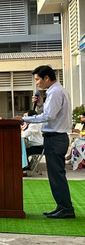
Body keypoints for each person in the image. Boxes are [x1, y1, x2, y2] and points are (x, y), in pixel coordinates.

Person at [21, 65, 75, 218]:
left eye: (38, 79)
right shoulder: (55, 91)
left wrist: (25, 118)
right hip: (55, 138)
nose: (37, 83)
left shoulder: (56, 92)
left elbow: (49, 116)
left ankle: (66, 208)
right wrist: (40, 105)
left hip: (56, 138)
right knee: (55, 175)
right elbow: (51, 113)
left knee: (57, 175)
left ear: (46, 78)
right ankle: (62, 206)